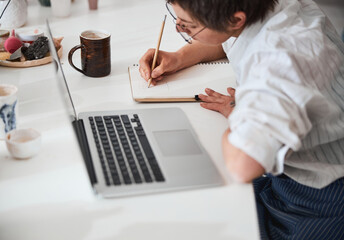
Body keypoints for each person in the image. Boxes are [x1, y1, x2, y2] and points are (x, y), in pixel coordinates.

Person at [139, 0, 344, 239]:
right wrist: (179, 57)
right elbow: (228, 39)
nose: (180, 29)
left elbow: (243, 166)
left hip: (319, 194)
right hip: (292, 167)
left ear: (235, 19)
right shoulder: (268, 8)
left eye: (188, 26)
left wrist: (242, 113)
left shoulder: (279, 62)